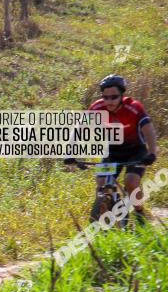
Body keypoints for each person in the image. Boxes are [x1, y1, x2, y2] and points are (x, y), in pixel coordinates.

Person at [67, 74, 157, 224]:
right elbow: (79, 128)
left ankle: (139, 212)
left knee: (131, 182)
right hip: (113, 151)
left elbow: (149, 131)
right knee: (101, 183)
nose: (109, 101)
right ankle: (104, 217)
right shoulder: (97, 107)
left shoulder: (134, 107)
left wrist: (152, 153)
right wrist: (70, 152)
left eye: (114, 97)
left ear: (122, 95)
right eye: (105, 97)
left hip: (135, 150)